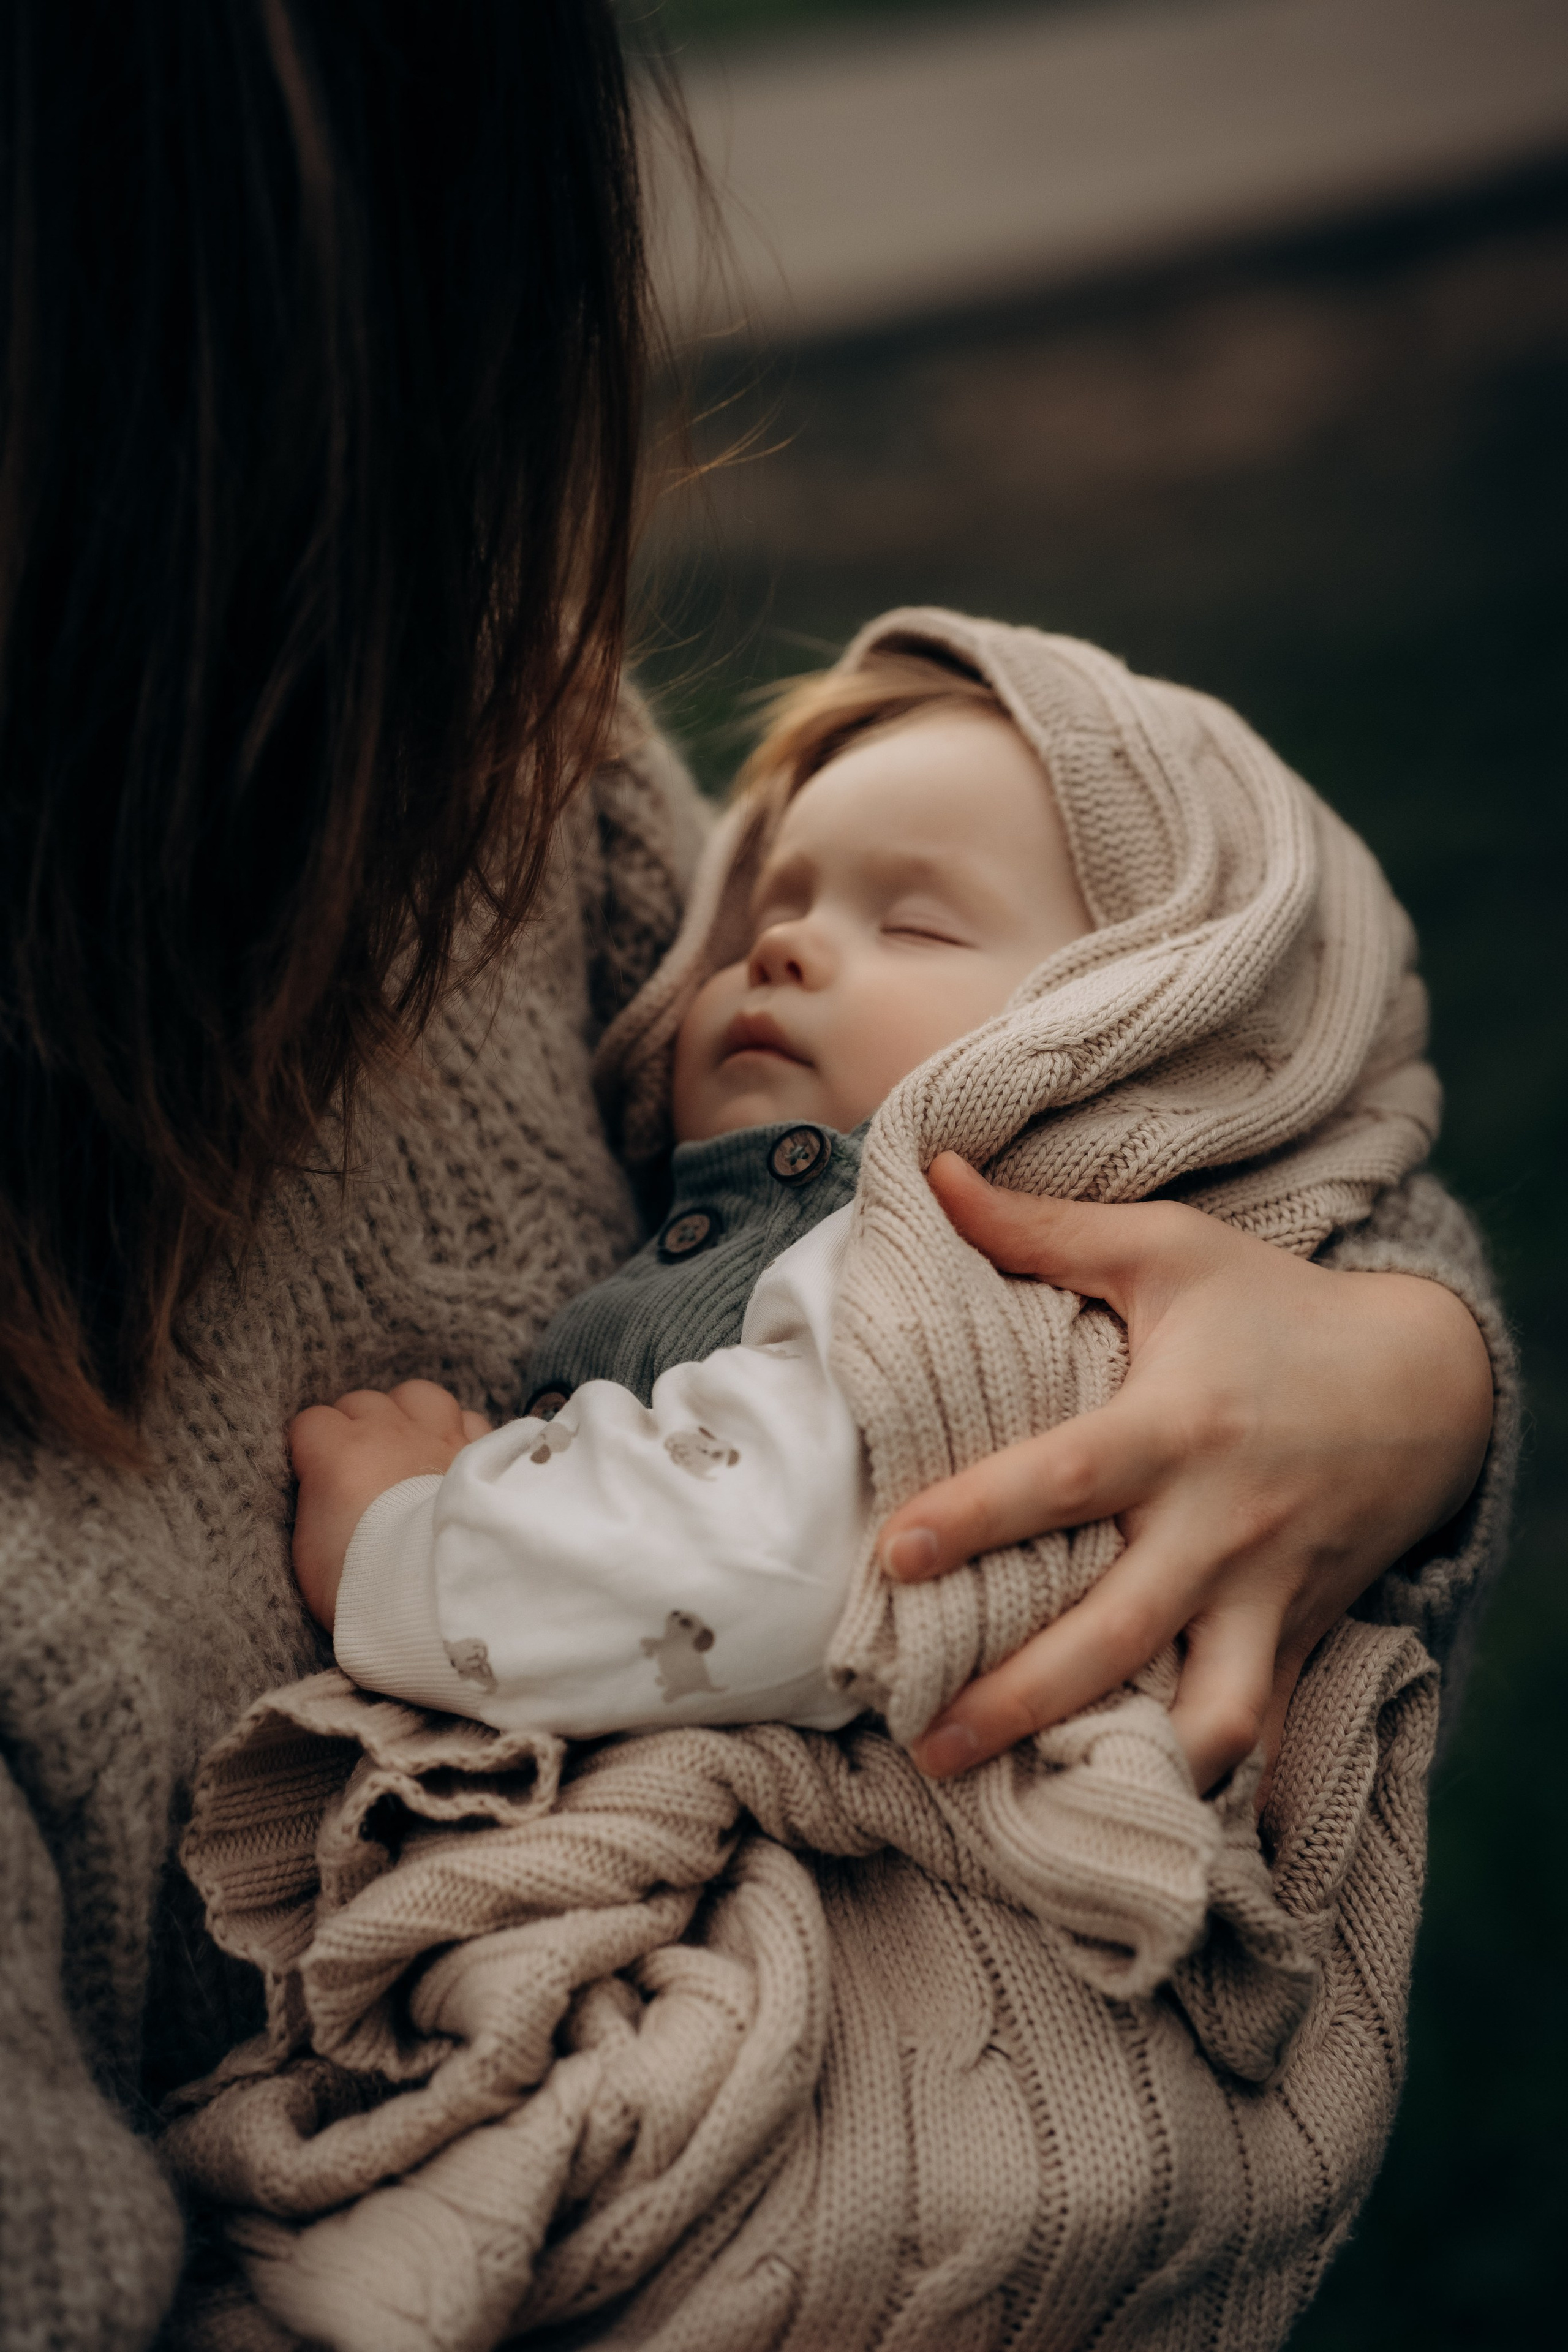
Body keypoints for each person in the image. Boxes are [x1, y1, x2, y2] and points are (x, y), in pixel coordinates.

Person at [0, 8, 1505, 2350]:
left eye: (903, 922)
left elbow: (794, 1544)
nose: (766, 935)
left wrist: (1395, 1379)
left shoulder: (478, 782)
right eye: (787, 898)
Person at [284, 631, 1485, 1797]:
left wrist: (406, 1547)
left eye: (912, 924)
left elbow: (760, 1563)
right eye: (759, 920)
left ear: (1148, 1037)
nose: (784, 948)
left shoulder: (952, 1274)